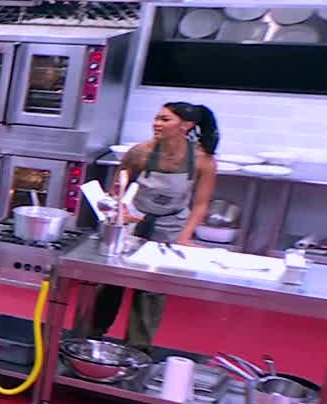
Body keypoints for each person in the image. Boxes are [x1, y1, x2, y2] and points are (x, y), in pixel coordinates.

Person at [78, 101, 221, 352]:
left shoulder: (203, 161)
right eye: (157, 118)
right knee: (112, 281)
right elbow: (117, 190)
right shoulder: (140, 153)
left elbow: (201, 204)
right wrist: (120, 210)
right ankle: (90, 336)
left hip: (171, 225)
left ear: (186, 126)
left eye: (165, 119)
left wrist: (185, 237)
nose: (157, 124)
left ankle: (137, 349)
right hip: (134, 222)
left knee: (152, 289)